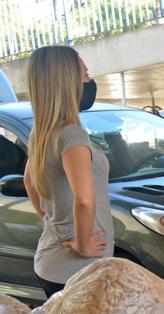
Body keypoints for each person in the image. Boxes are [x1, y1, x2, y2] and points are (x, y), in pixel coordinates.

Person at [23, 46, 113, 298]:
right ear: (67, 80)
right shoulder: (71, 134)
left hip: (52, 263)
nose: (90, 80)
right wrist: (83, 244)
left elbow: (29, 182)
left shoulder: (41, 132)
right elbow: (84, 199)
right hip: (77, 271)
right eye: (85, 74)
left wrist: (50, 222)